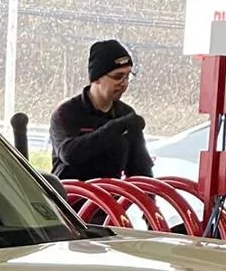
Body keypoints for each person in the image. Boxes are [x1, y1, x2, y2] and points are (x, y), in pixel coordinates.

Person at [48, 39, 154, 181]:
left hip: (108, 200)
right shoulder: (66, 113)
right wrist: (117, 126)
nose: (124, 83)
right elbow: (70, 154)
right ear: (96, 79)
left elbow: (140, 169)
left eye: (128, 76)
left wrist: (149, 201)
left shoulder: (126, 114)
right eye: (117, 77)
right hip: (68, 200)